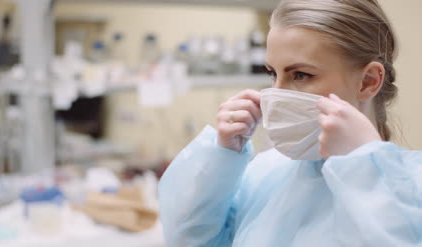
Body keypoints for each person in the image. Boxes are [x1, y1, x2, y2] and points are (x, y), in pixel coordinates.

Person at [158, 0, 422, 246]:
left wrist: (366, 166)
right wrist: (219, 162)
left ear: (368, 81)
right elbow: (190, 240)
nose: (275, 94)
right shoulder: (266, 174)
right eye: (273, 73)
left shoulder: (411, 188)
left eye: (301, 74)